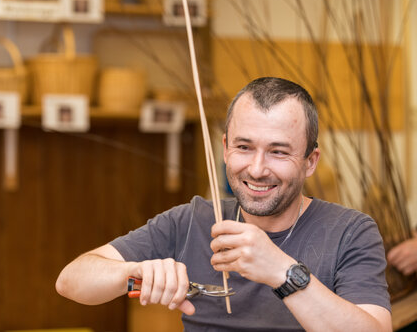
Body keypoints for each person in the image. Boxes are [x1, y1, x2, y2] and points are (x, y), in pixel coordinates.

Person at [56, 77, 392, 331]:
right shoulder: (192, 221)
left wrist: (280, 271)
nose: (257, 169)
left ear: (310, 161)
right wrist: (132, 272)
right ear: (224, 148)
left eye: (278, 151)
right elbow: (71, 281)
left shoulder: (351, 231)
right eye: (244, 147)